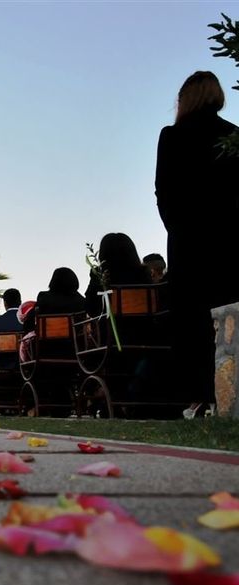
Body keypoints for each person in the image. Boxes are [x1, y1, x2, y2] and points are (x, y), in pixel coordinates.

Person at [155, 71, 239, 418]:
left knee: (190, 320)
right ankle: (229, 394)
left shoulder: (173, 136)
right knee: (228, 316)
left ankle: (198, 397)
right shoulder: (233, 136)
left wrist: (176, 228)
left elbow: (163, 191)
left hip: (188, 239)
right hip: (229, 239)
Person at [84, 233, 151, 316]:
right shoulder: (143, 273)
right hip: (144, 322)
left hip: (109, 323)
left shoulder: (99, 275)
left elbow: (91, 309)